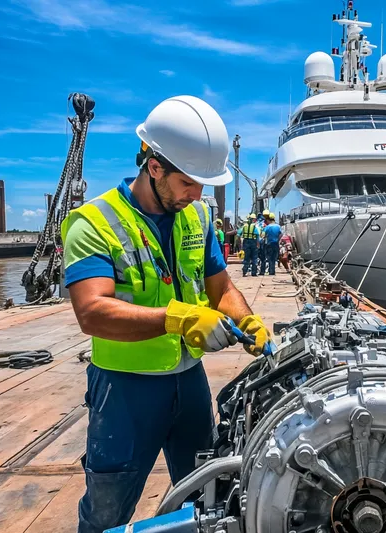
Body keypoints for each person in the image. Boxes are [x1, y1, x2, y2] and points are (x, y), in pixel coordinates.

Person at [61, 95, 271, 533]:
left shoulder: (196, 216)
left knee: (207, 500)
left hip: (188, 385)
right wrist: (178, 319)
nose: (198, 195)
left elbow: (222, 287)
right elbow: (92, 312)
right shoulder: (93, 222)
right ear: (154, 167)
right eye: (189, 183)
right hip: (123, 391)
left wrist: (247, 320)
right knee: (106, 511)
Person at [257, 210, 269, 275]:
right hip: (263, 241)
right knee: (264, 257)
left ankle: (256, 271)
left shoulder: (256, 224)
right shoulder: (265, 224)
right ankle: (263, 271)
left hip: (256, 241)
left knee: (257, 257)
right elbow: (265, 233)